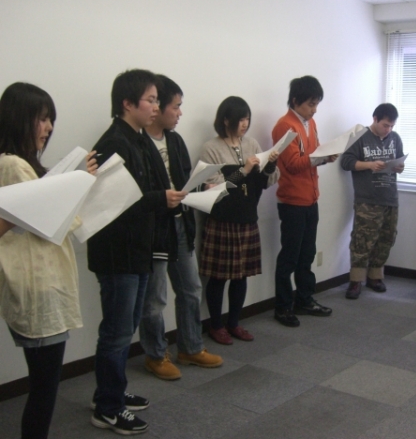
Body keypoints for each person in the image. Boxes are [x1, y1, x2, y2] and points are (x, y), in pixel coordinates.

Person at [87, 69, 187, 435]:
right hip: (118, 253)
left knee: (125, 326)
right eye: (151, 100)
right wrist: (161, 199)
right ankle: (108, 408)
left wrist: (169, 195)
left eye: (158, 100)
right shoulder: (115, 142)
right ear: (127, 103)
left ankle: (110, 392)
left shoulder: (139, 139)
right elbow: (115, 203)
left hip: (139, 249)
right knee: (116, 332)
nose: (156, 107)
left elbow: (145, 191)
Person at [0, 82, 96, 439]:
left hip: (40, 282)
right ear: (18, 118)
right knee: (44, 387)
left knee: (44, 384)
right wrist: (76, 183)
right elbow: (51, 221)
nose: (49, 127)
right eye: (41, 119)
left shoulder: (22, 164)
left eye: (50, 119)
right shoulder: (13, 164)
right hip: (38, 285)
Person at [138, 75, 222, 380]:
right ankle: (156, 354)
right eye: (175, 106)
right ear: (157, 107)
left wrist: (202, 187)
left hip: (180, 225)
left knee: (190, 288)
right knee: (155, 299)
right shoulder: (137, 142)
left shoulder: (174, 140)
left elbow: (185, 179)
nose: (179, 112)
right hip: (155, 231)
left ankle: (190, 347)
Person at [199, 96, 279, 344]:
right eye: (240, 119)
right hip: (222, 219)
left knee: (241, 275)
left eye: (247, 119)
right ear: (226, 120)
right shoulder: (211, 148)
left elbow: (267, 181)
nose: (245, 124)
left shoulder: (252, 143)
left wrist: (270, 165)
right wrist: (243, 170)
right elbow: (213, 188)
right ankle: (216, 325)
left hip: (247, 218)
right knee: (218, 276)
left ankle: (234, 323)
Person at [272, 76, 337, 327]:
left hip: (311, 198)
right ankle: (282, 307)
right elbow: (292, 164)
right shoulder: (284, 126)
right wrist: (321, 157)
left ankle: (304, 299)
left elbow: (313, 153)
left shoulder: (311, 123)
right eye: (311, 104)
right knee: (289, 256)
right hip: (292, 201)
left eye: (317, 104)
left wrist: (326, 156)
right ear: (295, 100)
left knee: (307, 253)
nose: (315, 109)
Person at [341, 103, 405, 300]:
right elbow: (346, 162)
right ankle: (356, 280)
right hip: (367, 199)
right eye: (385, 125)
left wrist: (399, 167)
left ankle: (375, 276)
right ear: (375, 119)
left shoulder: (395, 138)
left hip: (390, 197)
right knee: (362, 240)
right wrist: (369, 165)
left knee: (386, 238)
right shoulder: (360, 137)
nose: (388, 129)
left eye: (392, 126)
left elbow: (399, 161)